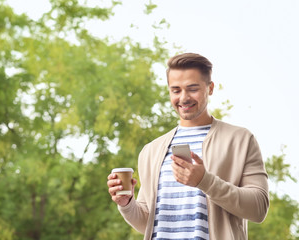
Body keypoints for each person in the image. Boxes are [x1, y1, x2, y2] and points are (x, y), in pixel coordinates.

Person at [107, 53, 269, 240]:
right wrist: (127, 204)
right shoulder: (151, 151)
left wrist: (205, 181)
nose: (183, 98)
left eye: (192, 89)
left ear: (210, 88)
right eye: (176, 90)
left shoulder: (240, 140)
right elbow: (148, 222)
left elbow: (259, 208)